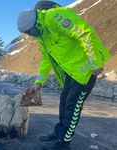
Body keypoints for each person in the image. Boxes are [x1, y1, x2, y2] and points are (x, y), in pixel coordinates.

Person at [17, 1, 111, 150]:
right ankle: (59, 133)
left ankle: (64, 141)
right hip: (72, 72)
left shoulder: (55, 17)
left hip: (86, 69)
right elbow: (46, 59)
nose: (29, 36)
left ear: (34, 23)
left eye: (29, 32)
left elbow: (84, 33)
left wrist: (94, 62)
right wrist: (39, 82)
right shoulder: (41, 35)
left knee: (73, 106)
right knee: (64, 102)